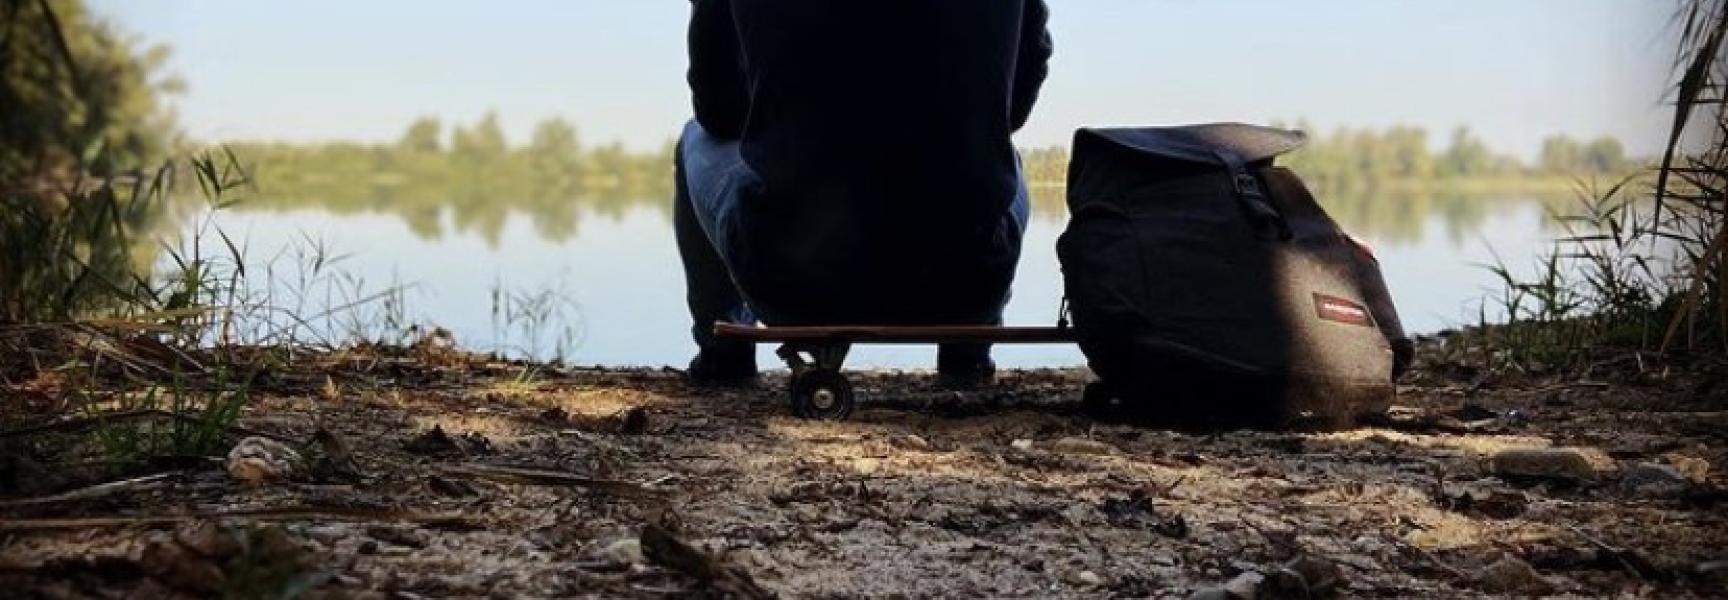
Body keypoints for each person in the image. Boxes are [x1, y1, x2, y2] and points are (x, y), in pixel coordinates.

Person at [674, 0, 1053, 386]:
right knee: (1002, 157)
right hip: (966, 283)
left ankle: (725, 358)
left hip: (793, 279)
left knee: (697, 137)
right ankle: (967, 357)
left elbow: (718, 109)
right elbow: (1015, 104)